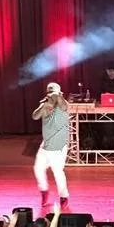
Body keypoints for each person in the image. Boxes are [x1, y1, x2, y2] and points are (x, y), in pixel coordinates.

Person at [31, 82, 70, 212]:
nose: (49, 94)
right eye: (48, 92)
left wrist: (58, 97)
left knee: (57, 171)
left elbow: (65, 106)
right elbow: (35, 116)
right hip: (46, 143)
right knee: (38, 168)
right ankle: (44, 191)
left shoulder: (62, 104)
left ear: (58, 92)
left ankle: (64, 196)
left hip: (58, 145)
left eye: (52, 92)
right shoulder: (45, 104)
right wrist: (43, 106)